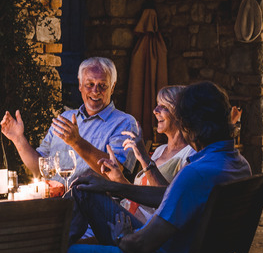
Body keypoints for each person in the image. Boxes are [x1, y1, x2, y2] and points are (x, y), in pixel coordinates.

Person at [64, 81, 252, 253]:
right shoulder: (237, 164)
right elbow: (170, 195)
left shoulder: (197, 173)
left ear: (188, 125)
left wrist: (122, 238)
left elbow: (142, 244)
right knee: (84, 189)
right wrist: (112, 186)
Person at [75, 85, 194, 241]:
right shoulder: (161, 150)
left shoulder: (190, 154)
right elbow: (139, 194)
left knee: (83, 190)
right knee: (82, 185)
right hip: (124, 215)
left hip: (143, 232)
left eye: (163, 107)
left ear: (180, 114)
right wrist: (118, 177)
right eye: (157, 105)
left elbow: (170, 201)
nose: (155, 110)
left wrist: (144, 158)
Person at [0, 57, 137, 183]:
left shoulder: (124, 123)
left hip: (90, 205)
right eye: (89, 84)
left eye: (102, 85)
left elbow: (115, 172)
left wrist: (77, 142)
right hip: (54, 200)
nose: (95, 91)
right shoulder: (65, 118)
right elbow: (39, 168)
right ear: (80, 85)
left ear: (112, 88)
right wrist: (18, 139)